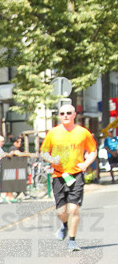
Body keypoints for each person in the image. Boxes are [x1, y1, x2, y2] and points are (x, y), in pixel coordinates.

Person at [40, 104, 97, 251]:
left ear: (74, 115)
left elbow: (93, 151)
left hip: (76, 174)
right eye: (62, 113)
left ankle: (72, 240)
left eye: (68, 113)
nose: (65, 115)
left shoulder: (83, 133)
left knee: (73, 209)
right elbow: (44, 152)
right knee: (61, 211)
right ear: (59, 116)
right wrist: (51, 160)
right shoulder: (53, 133)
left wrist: (86, 164)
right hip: (59, 175)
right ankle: (64, 225)